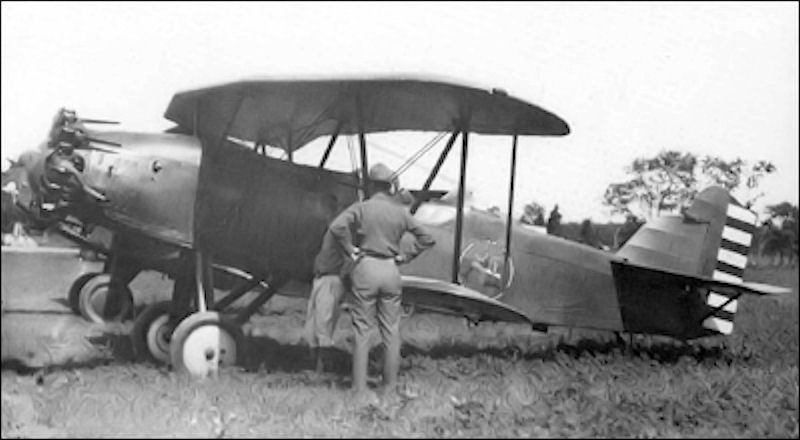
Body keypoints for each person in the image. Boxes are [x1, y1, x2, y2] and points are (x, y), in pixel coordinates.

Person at [328, 163, 436, 397]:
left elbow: (336, 226)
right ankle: (389, 388)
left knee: (362, 331)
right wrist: (406, 255)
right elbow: (427, 238)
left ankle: (359, 389)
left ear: (371, 185)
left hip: (366, 268)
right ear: (390, 187)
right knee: (391, 331)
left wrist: (350, 248)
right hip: (390, 270)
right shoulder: (401, 213)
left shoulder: (362, 208)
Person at [304, 227, 347, 375]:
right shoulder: (332, 231)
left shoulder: (344, 231)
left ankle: (322, 370)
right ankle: (314, 366)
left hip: (331, 278)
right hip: (321, 277)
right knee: (311, 326)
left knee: (323, 324)